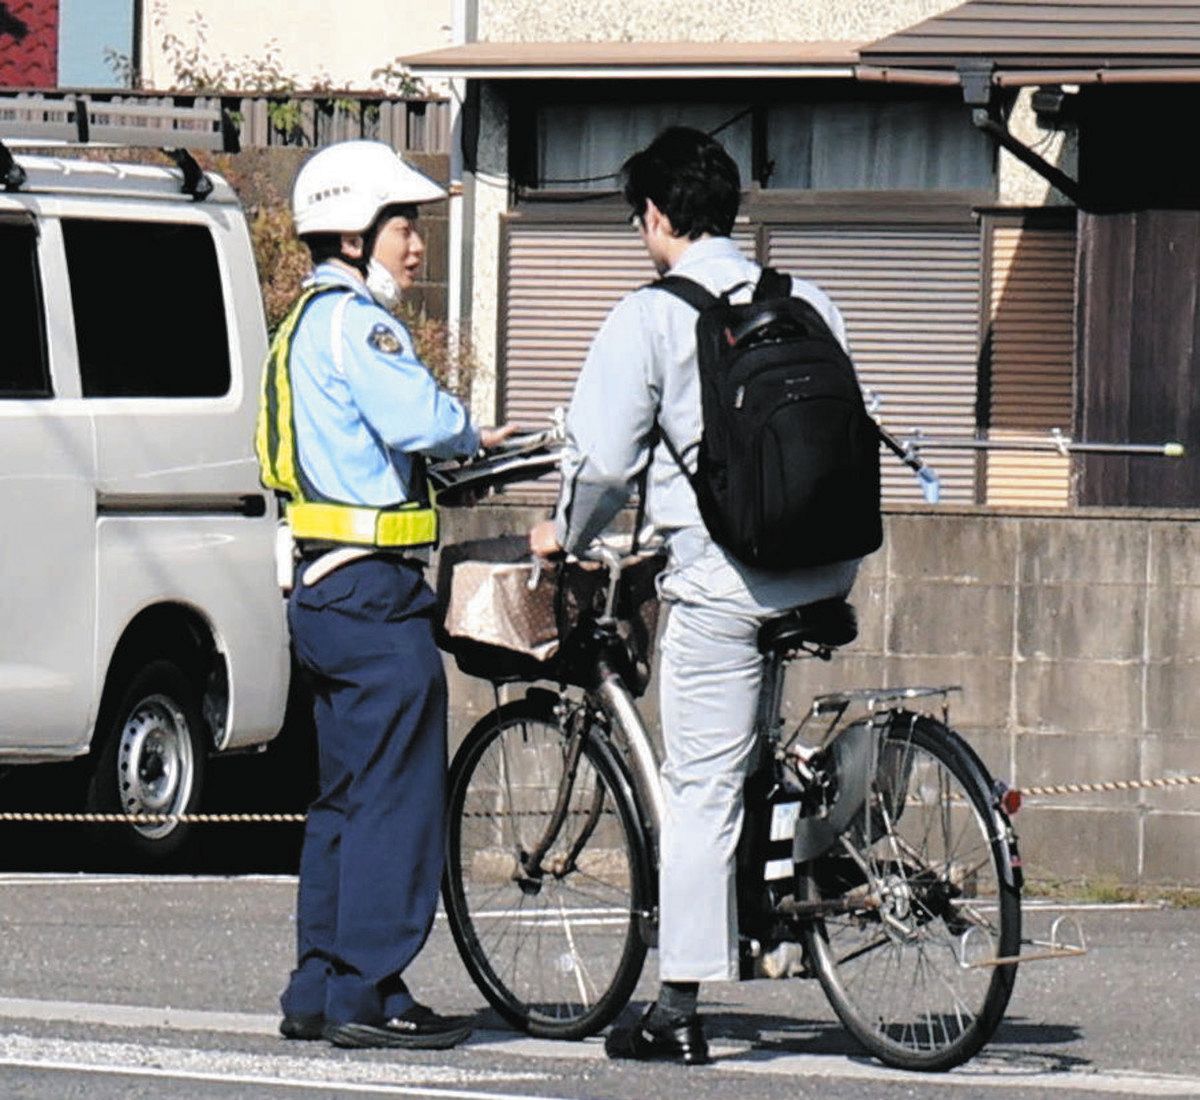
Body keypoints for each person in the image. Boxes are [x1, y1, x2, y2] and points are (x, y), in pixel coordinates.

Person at [529, 126, 862, 1065]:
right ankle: (790, 883)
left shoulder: (651, 315)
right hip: (824, 563)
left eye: (642, 219)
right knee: (754, 756)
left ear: (659, 216)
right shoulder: (809, 300)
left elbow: (598, 464)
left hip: (725, 577)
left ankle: (677, 1006)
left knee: (701, 786)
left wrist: (566, 532)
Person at [257, 139, 512, 1050]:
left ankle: (319, 987)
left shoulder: (296, 325)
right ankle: (369, 992)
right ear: (357, 236)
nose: (415, 245)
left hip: (321, 595)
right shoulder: (360, 324)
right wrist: (470, 434)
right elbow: (422, 419)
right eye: (404, 226)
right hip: (371, 597)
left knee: (344, 795)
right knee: (398, 795)